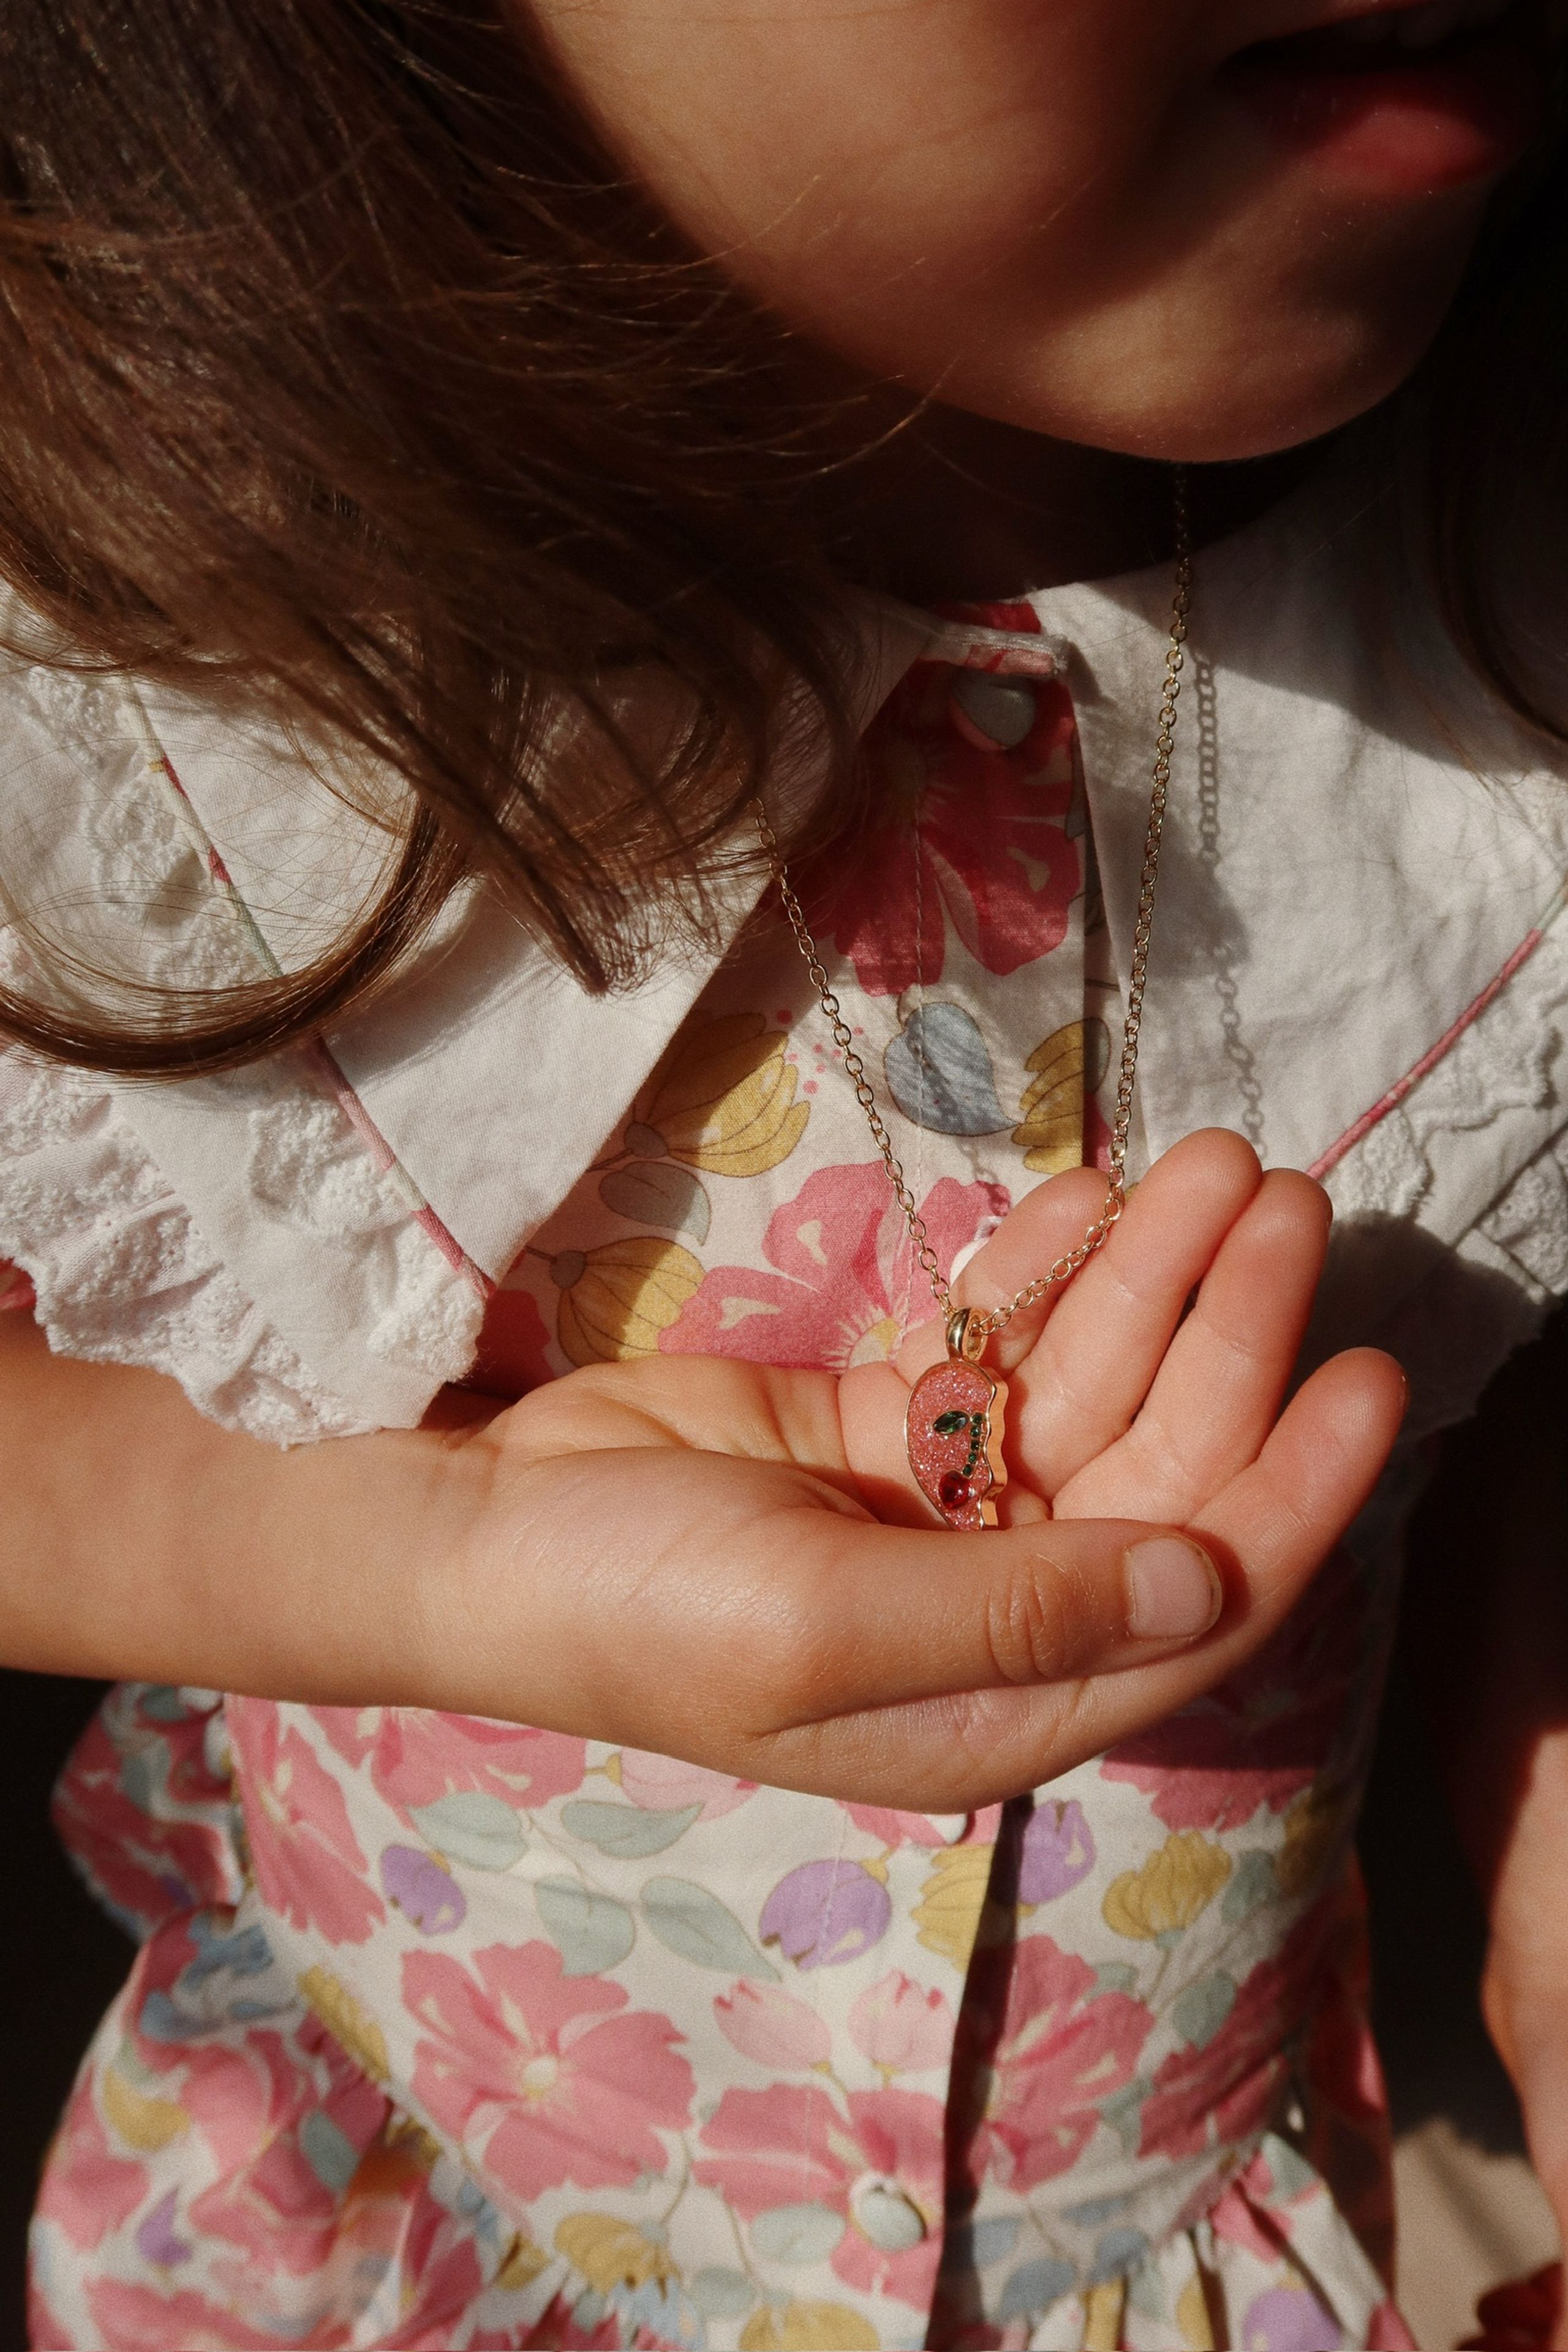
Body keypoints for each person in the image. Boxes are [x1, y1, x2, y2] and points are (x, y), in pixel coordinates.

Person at [1, 2, 1566, 2343]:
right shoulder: (144, 677)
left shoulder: (1502, 589)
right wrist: (432, 1575)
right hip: (422, 2193)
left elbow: (1512, 1327)